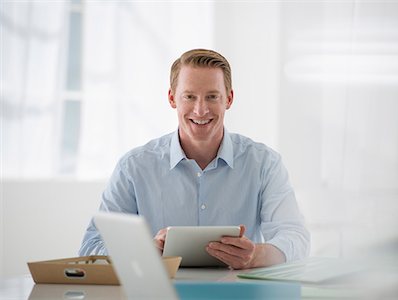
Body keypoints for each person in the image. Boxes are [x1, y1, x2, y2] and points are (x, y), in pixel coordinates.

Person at [79, 49, 310, 269]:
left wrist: (255, 255)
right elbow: (91, 247)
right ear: (172, 98)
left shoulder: (264, 164)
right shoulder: (134, 167)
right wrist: (143, 251)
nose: (200, 110)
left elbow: (296, 238)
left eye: (212, 97)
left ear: (228, 99)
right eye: (189, 97)